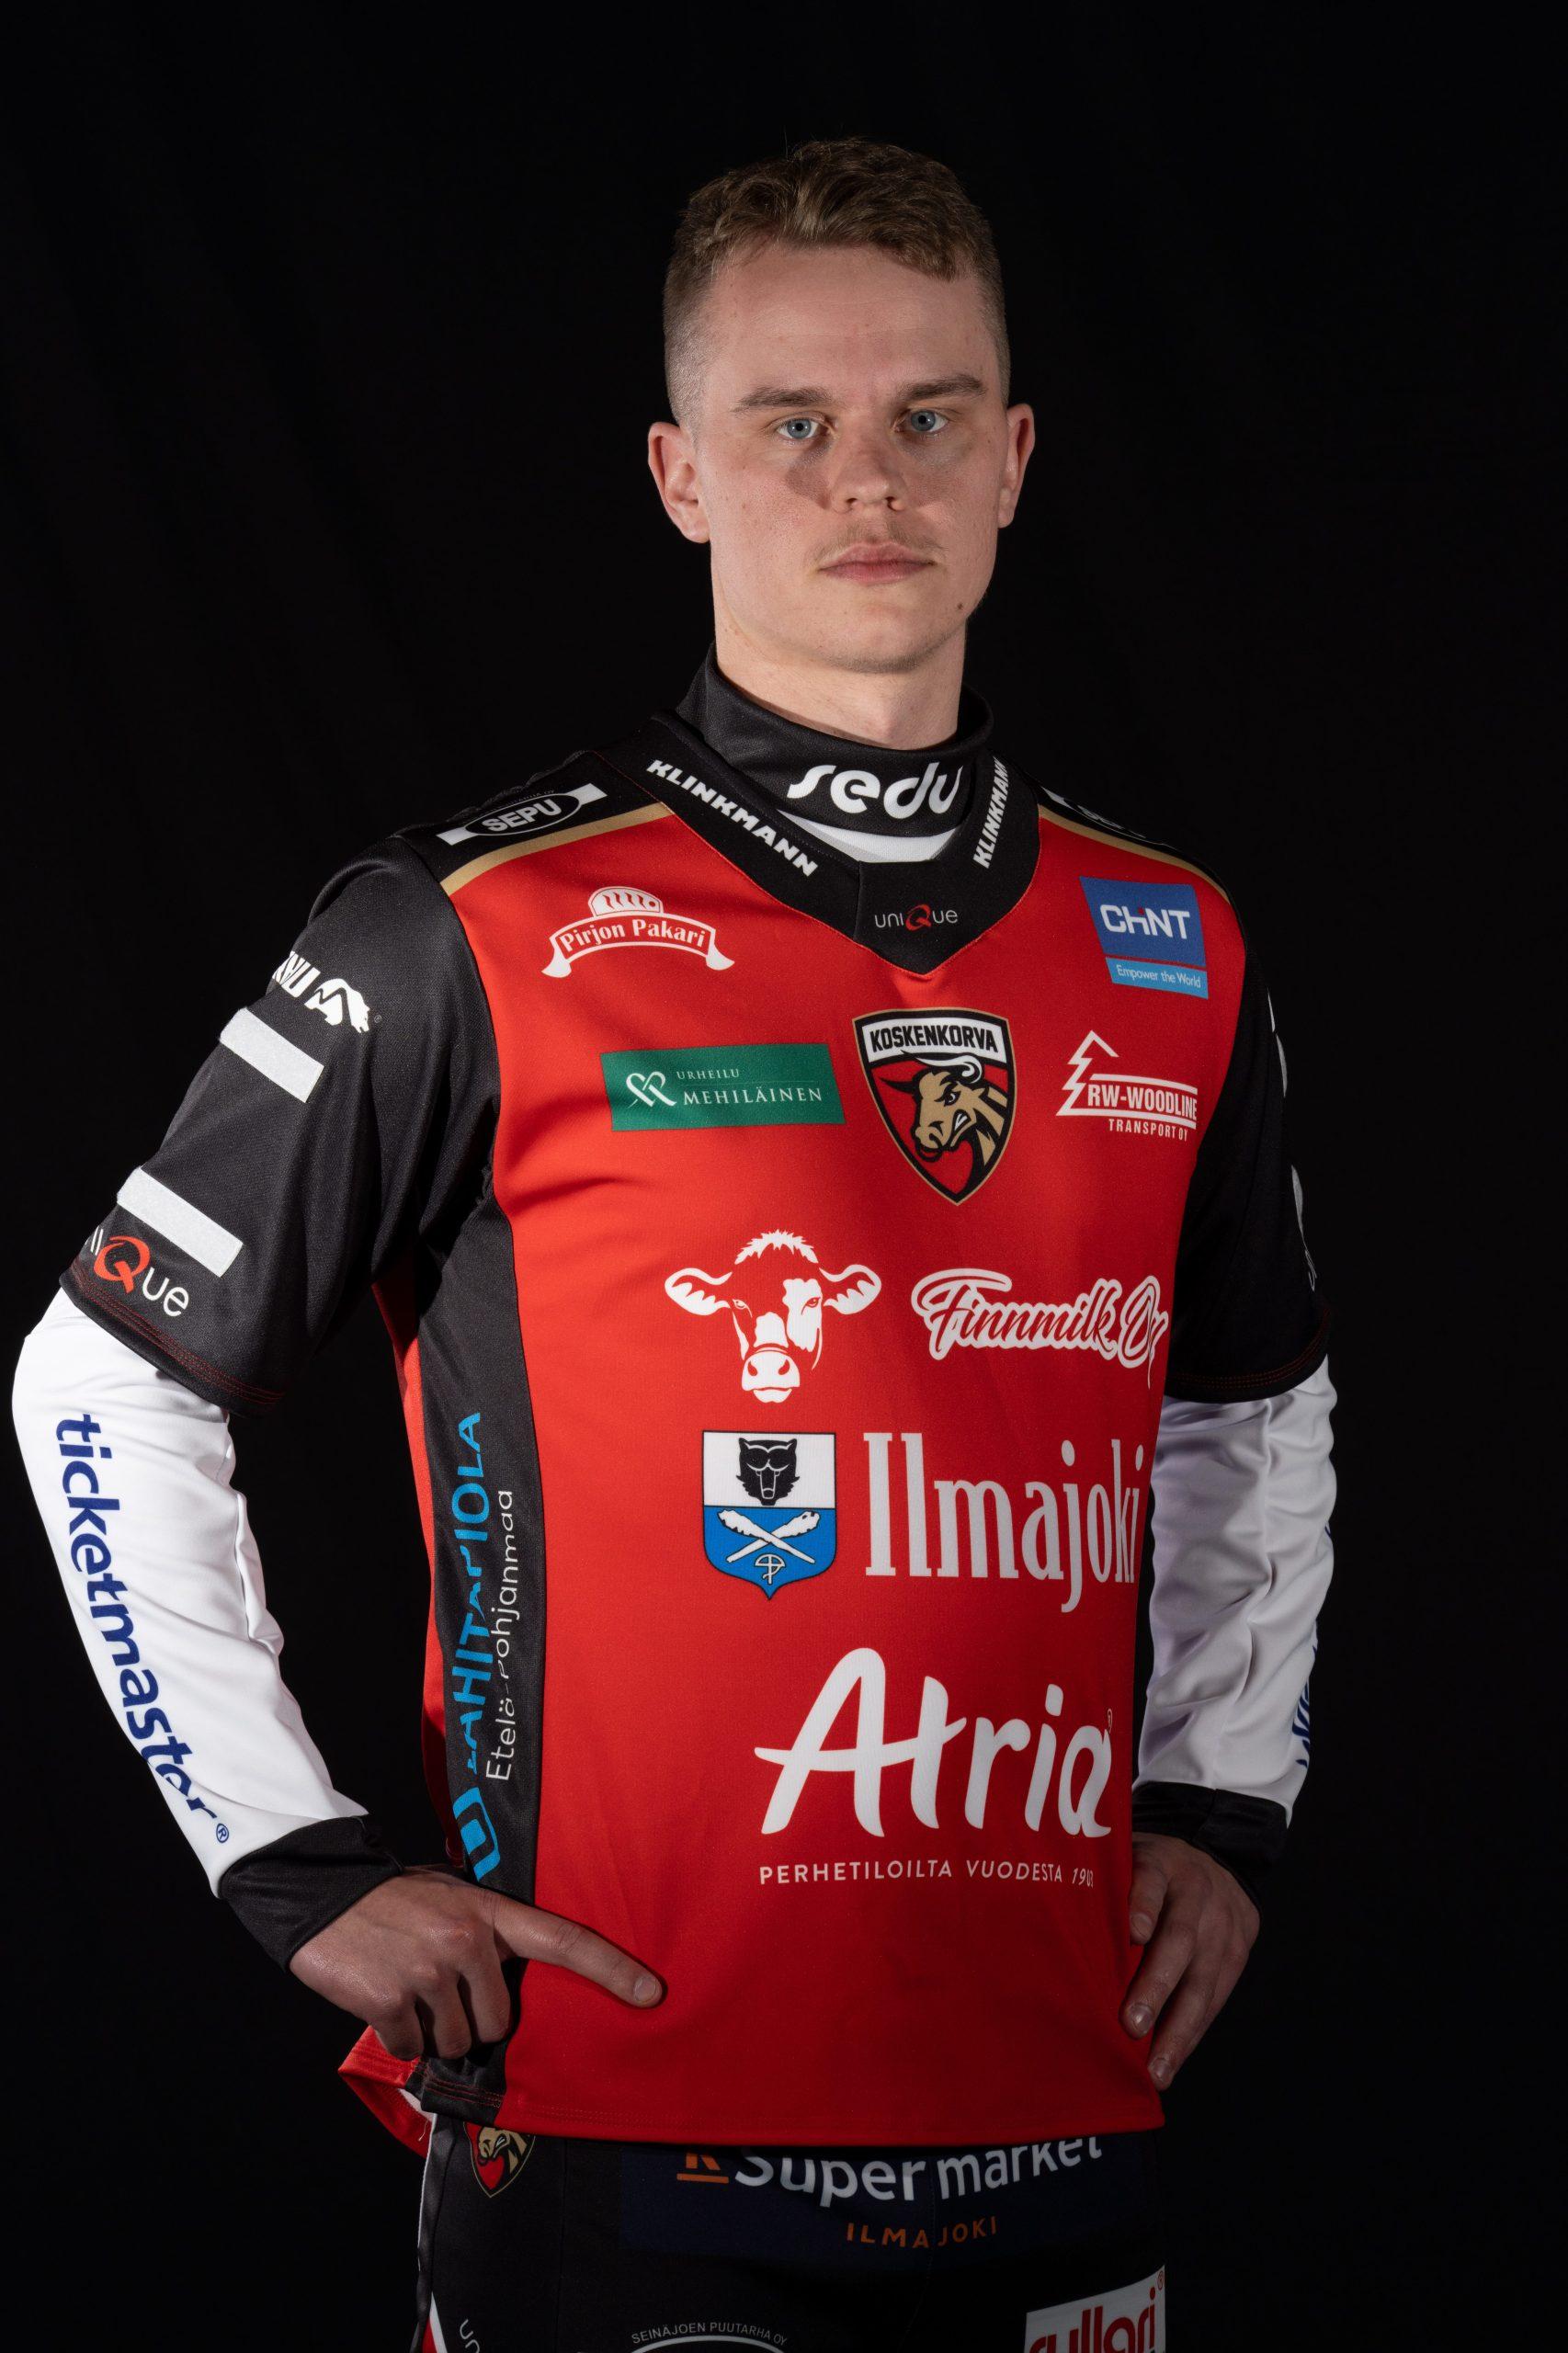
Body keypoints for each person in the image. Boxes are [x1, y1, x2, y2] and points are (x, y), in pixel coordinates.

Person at [12, 137, 1335, 2351]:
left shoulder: (1171, 938)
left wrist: (1220, 1791)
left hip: (1056, 2097)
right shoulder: (470, 922)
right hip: (619, 2118)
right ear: (679, 474)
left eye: (927, 414)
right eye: (790, 421)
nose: (867, 478)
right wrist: (283, 1851)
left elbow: (1252, 1405)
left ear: (1015, 459)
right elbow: (102, 1374)